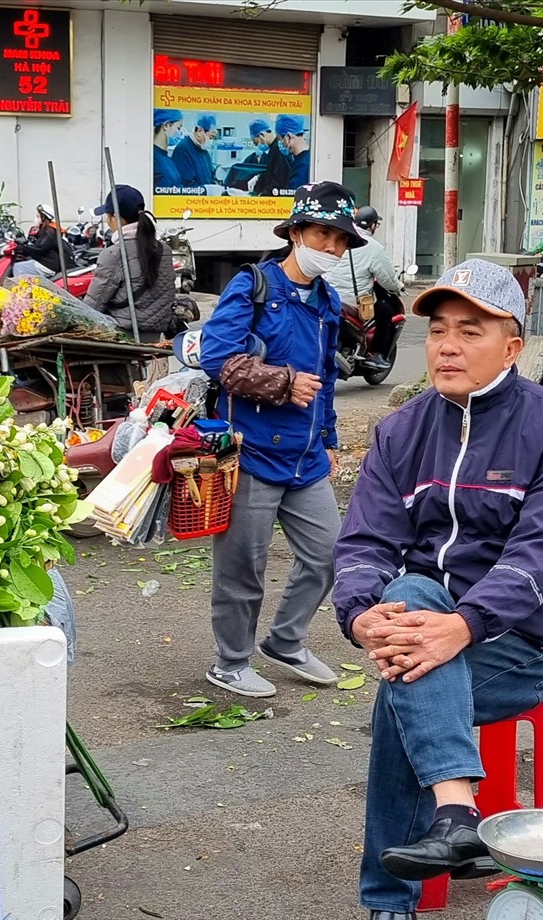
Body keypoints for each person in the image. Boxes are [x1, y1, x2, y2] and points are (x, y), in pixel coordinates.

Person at [332, 258, 543, 920]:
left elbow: (536, 562)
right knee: (413, 597)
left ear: (512, 346)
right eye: (439, 330)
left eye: (469, 331)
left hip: (521, 643)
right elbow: (363, 545)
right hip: (428, 630)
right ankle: (455, 815)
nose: (446, 346)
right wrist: (361, 618)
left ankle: (393, 895)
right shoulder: (402, 431)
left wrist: (464, 625)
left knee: (406, 681)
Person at [196, 181, 364, 699]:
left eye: (341, 241)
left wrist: (330, 436)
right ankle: (230, 661)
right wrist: (283, 383)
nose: (332, 249)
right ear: (295, 233)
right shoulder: (252, 285)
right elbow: (217, 359)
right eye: (323, 235)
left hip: (306, 455)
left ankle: (286, 641)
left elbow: (328, 377)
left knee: (331, 554)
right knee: (244, 566)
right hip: (250, 452)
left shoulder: (329, 302)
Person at [82, 184, 179, 341]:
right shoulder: (164, 250)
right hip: (154, 336)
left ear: (115, 217)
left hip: (123, 336)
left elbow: (92, 307)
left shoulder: (114, 254)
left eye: (107, 215)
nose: (107, 221)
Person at [342, 205, 405, 366]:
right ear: (372, 225)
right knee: (386, 313)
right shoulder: (373, 247)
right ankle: (377, 355)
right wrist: (398, 287)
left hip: (329, 297)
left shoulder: (340, 239)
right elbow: (388, 280)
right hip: (353, 302)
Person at [254, 116, 309, 195]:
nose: (279, 144)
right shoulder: (303, 160)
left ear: (288, 137)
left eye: (280, 140)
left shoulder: (302, 166)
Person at [16, 206, 69, 277]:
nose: (36, 218)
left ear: (43, 218)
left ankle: (21, 287)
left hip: (48, 265)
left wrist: (19, 248)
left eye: (38, 216)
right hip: (46, 262)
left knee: (17, 267)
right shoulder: (45, 229)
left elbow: (39, 249)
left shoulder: (49, 232)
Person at [225, 117, 277, 191]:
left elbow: (277, 181)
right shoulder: (273, 150)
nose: (256, 146)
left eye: (255, 142)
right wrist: (259, 177)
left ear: (261, 135)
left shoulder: (277, 151)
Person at [172, 114, 220, 189]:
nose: (211, 141)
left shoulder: (204, 151)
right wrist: (206, 191)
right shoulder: (183, 150)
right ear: (200, 131)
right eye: (211, 137)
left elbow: (209, 177)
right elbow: (186, 184)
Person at [153, 108, 185, 192]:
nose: (180, 133)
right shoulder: (153, 159)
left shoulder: (167, 158)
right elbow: (166, 190)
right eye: (178, 128)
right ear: (166, 125)